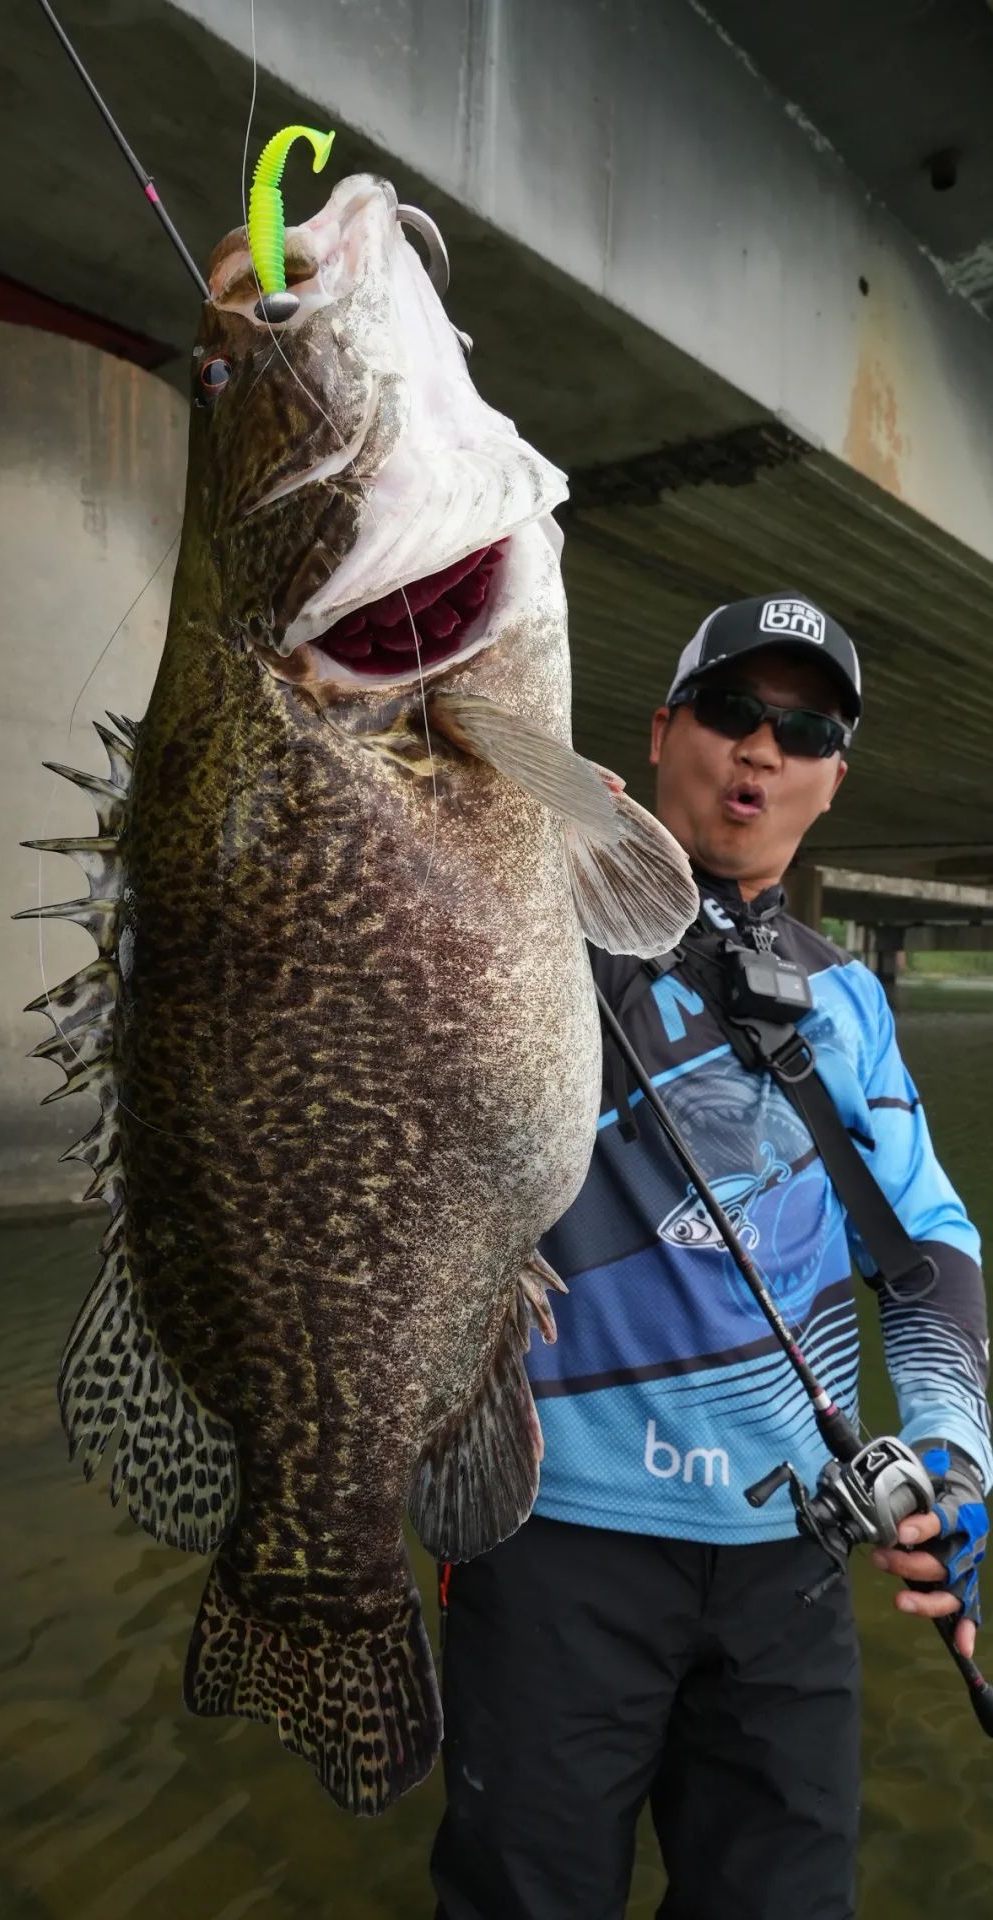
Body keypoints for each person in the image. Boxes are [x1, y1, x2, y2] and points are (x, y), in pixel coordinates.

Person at [431, 592, 991, 1920]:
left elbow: (930, 1251)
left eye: (802, 729)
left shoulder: (851, 1002)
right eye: (734, 710)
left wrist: (958, 1458)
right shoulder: (517, 925)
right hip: (550, 1538)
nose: (761, 750)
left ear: (835, 780)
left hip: (787, 1568)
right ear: (664, 727)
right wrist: (524, 795)